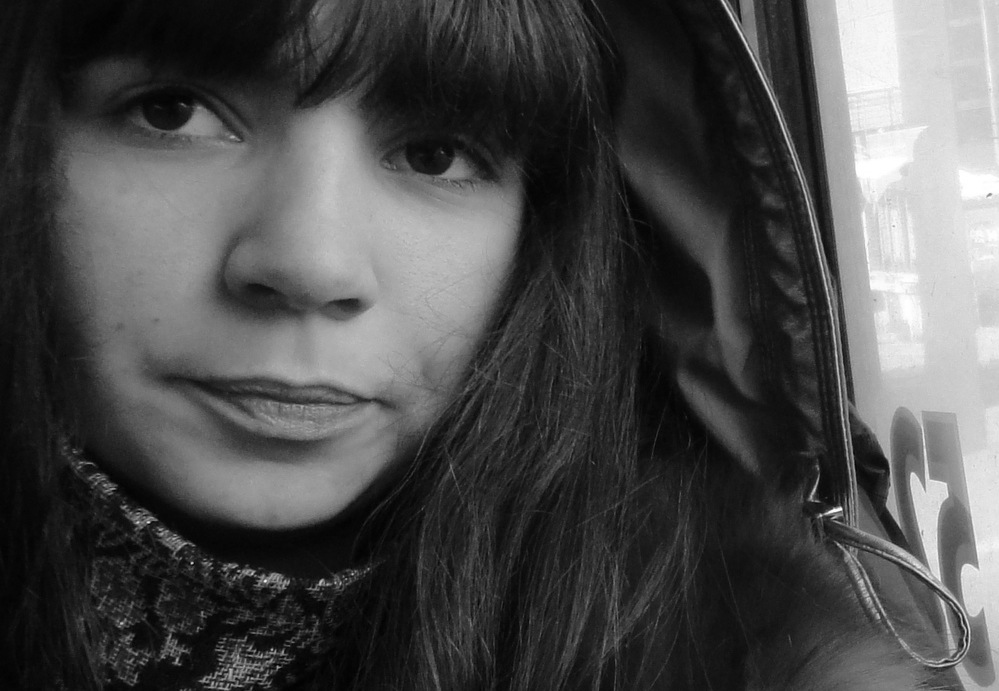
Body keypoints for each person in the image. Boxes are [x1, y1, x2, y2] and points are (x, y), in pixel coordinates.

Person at [0, 0, 947, 688]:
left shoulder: (748, 649)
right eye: (172, 111)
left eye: (435, 154)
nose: (310, 263)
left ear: (540, 239)